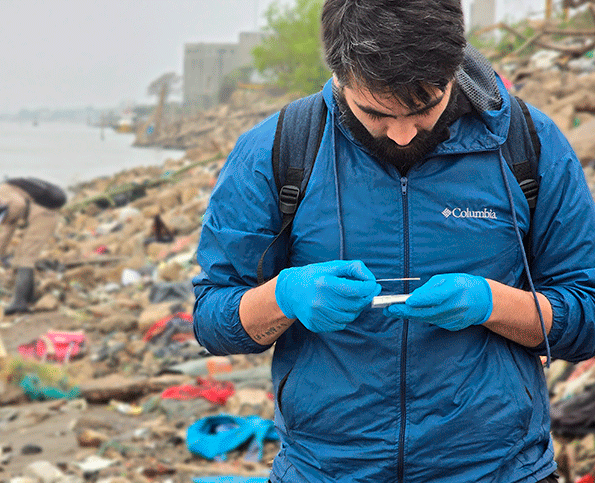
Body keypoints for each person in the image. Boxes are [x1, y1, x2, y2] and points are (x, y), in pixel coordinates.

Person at [192, 1, 595, 481]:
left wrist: (491, 303)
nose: (403, 135)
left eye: (425, 107)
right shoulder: (279, 150)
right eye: (376, 112)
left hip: (500, 470)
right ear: (340, 75)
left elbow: (587, 315)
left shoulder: (529, 144)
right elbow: (212, 319)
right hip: (325, 471)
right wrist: (284, 297)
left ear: (454, 68)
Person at [0, 173, 60, 315]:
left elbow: (19, 205)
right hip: (41, 217)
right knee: (20, 257)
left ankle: (19, 303)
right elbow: (10, 227)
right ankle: (29, 297)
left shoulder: (0, 192)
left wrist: (3, 219)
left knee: (26, 258)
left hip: (43, 217)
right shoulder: (1, 197)